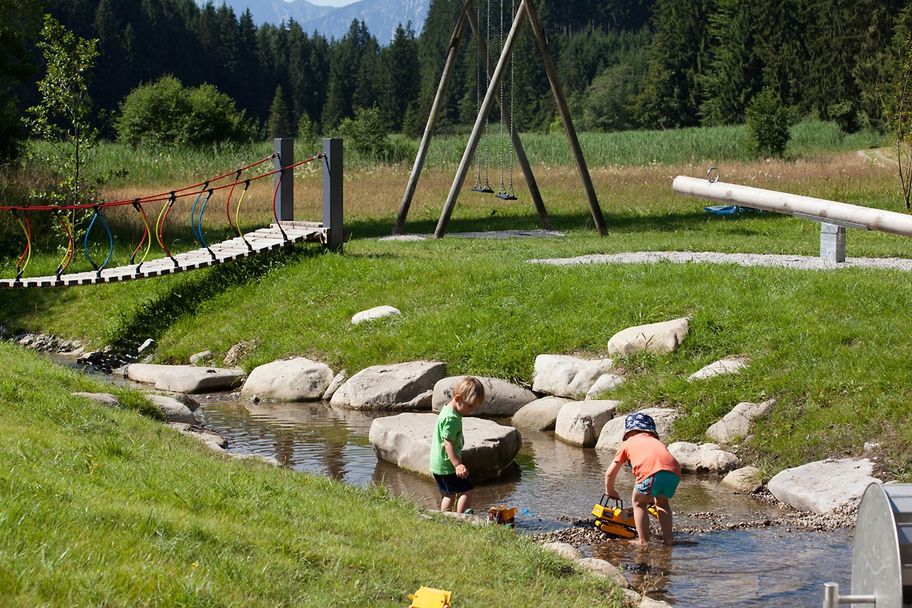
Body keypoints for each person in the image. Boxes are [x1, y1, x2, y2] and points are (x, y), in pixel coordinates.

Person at [604, 412, 681, 546]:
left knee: (639, 503)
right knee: (662, 503)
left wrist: (610, 490)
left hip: (652, 473)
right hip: (674, 473)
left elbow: (610, 473)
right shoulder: (657, 442)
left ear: (627, 434)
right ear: (651, 432)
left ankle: (643, 541)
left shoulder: (628, 443)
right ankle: (669, 540)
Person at [429, 376, 485, 514]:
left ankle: (446, 518)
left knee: (449, 493)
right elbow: (448, 443)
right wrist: (457, 465)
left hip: (438, 464)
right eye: (470, 406)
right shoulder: (452, 418)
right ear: (458, 398)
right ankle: (461, 517)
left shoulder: (447, 409)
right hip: (448, 465)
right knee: (466, 489)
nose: (471, 410)